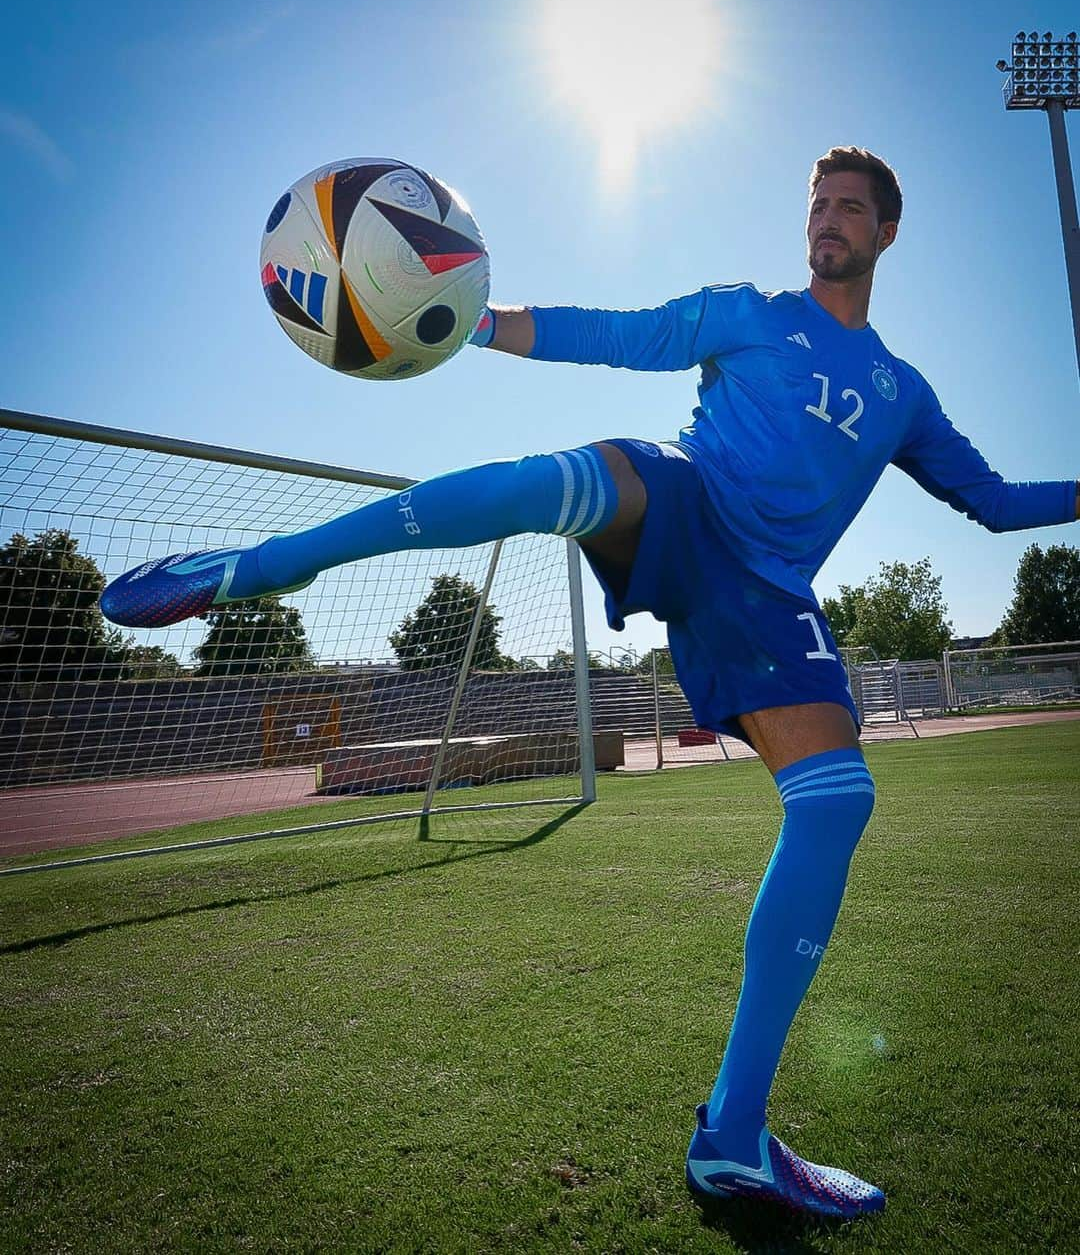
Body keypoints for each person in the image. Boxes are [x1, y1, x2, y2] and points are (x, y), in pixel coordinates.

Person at [101, 146, 1078, 1220]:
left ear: (887, 232)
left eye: (850, 209)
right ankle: (263, 565)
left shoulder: (902, 392)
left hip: (765, 593)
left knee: (840, 803)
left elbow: (992, 499)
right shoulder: (748, 313)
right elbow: (619, 336)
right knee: (562, 481)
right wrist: (472, 318)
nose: (828, 223)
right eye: (817, 206)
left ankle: (734, 1137)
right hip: (685, 496)